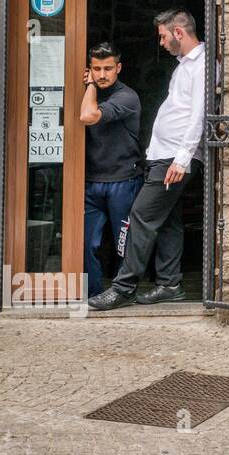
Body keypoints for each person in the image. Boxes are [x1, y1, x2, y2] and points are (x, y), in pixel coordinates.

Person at [89, 10, 205, 311]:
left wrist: (181, 160)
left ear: (178, 33)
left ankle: (123, 287)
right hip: (164, 156)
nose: (162, 43)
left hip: (174, 158)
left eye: (163, 36)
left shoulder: (201, 64)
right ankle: (170, 284)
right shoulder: (185, 66)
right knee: (167, 221)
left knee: (140, 216)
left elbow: (198, 116)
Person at [78, 42, 143, 298]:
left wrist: (91, 85)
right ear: (90, 69)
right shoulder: (85, 93)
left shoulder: (127, 96)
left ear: (118, 68)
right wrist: (89, 88)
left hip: (123, 180)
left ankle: (122, 293)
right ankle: (92, 294)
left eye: (107, 68)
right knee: (86, 244)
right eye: (96, 69)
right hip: (91, 181)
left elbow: (88, 116)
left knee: (122, 244)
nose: (102, 74)